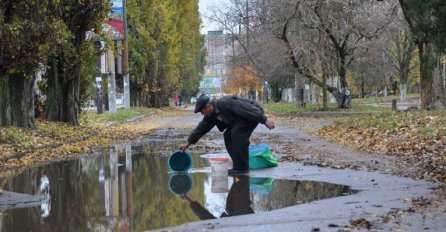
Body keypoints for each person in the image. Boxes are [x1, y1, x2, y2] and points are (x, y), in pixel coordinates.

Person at [179, 94, 275, 174]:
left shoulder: (226, 103)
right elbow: (201, 129)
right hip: (240, 120)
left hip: (253, 112)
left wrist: (264, 119)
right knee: (228, 135)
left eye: (202, 111)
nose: (202, 114)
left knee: (237, 133)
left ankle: (242, 168)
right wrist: (188, 143)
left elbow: (247, 109)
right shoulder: (211, 114)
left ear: (208, 106)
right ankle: (238, 165)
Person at [181, 175, 254, 220]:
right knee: (241, 176)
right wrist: (190, 202)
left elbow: (206, 217)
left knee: (241, 177)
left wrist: (190, 202)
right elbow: (206, 217)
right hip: (239, 210)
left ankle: (241, 173)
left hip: (236, 209)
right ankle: (241, 173)